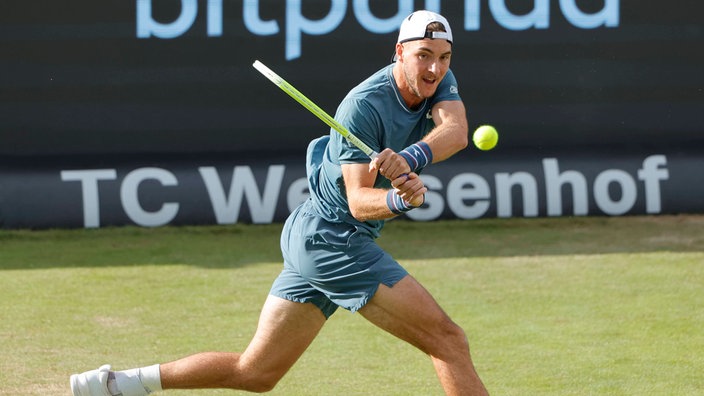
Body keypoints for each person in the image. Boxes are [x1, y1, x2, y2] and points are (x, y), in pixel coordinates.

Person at [70, 10, 489, 396]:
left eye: (445, 57)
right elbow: (360, 203)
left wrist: (410, 158)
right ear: (399, 52)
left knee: (255, 373)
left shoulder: (437, 80)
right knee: (447, 340)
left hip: (311, 238)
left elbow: (456, 130)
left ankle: (113, 385)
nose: (435, 68)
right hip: (333, 241)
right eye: (424, 56)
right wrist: (399, 199)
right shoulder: (363, 106)